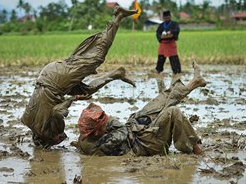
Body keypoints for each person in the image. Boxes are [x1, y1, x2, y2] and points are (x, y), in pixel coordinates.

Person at [21, 6, 138, 148]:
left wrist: (73, 99)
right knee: (86, 91)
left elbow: (57, 111)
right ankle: (115, 74)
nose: (61, 138)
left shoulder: (46, 131)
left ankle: (118, 17)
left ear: (48, 140)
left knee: (96, 57)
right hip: (48, 76)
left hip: (57, 81)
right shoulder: (27, 121)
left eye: (57, 140)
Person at [73, 61, 206, 156]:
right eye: (102, 123)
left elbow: (116, 126)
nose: (106, 119)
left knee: (160, 101)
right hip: (146, 145)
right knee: (172, 112)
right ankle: (195, 148)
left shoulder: (87, 134)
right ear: (95, 132)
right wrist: (109, 123)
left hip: (136, 133)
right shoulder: (99, 145)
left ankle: (194, 83)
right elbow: (122, 129)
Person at [155, 10, 181, 74]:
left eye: (168, 18)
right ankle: (158, 70)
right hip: (163, 43)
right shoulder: (161, 25)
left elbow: (177, 30)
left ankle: (177, 71)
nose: (167, 19)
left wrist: (171, 32)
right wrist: (160, 37)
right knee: (161, 58)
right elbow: (157, 33)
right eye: (165, 18)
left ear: (170, 17)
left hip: (171, 43)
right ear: (163, 18)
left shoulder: (174, 24)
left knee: (174, 58)